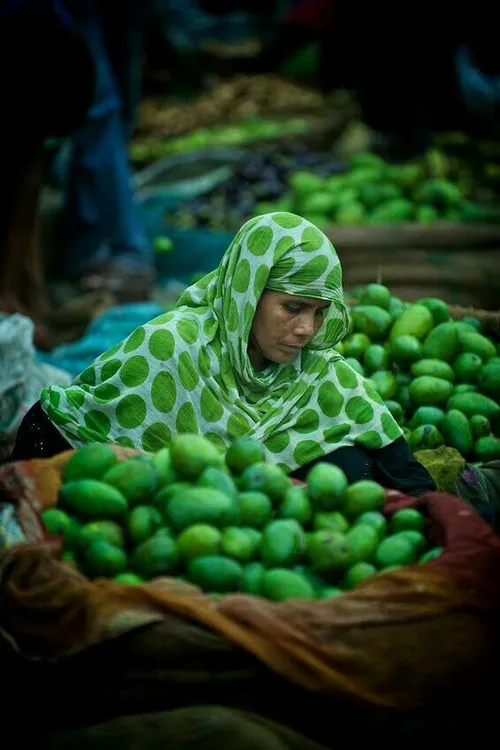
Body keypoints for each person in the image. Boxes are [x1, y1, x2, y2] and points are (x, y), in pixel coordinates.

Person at [11, 212, 435, 495]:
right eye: (293, 307)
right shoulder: (171, 349)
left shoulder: (323, 376)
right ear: (247, 295)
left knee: (354, 462)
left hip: (285, 562)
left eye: (321, 312)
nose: (307, 330)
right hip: (175, 552)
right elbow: (57, 428)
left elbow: (408, 475)